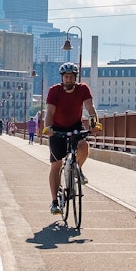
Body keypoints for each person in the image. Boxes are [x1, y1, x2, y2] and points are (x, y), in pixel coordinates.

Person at [45, 62, 99, 216]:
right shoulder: (54, 91)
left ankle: (78, 169)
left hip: (75, 126)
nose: (68, 80)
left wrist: (94, 124)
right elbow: (49, 112)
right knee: (56, 165)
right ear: (62, 78)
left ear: (75, 78)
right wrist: (48, 128)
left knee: (83, 146)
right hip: (57, 129)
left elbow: (90, 108)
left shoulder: (83, 89)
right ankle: (55, 202)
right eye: (66, 77)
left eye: (71, 77)